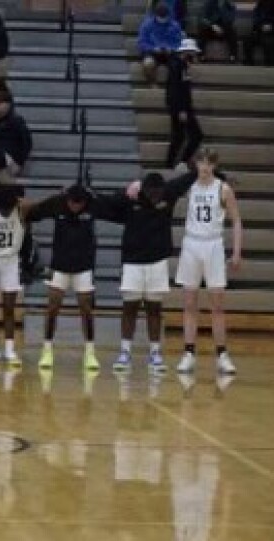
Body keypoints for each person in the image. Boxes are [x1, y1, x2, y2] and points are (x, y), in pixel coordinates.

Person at [94, 171, 196, 373]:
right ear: (144, 190)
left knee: (154, 309)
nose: (156, 196)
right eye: (152, 193)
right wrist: (128, 189)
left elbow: (190, 176)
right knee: (129, 308)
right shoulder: (131, 198)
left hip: (157, 262)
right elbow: (109, 202)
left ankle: (155, 353)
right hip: (133, 262)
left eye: (159, 193)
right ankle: (124, 352)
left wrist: (220, 175)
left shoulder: (170, 193)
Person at [175, 149, 242, 375]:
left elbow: (237, 221)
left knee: (217, 305)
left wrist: (236, 252)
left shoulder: (223, 189)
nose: (204, 167)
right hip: (192, 244)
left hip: (213, 245)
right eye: (201, 162)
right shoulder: (189, 185)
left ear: (214, 165)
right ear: (196, 164)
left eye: (208, 163)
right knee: (190, 302)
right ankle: (188, 353)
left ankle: (222, 354)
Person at [28, 184, 99, 371]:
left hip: (83, 267)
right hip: (60, 266)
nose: (75, 207)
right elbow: (35, 211)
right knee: (52, 308)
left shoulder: (93, 205)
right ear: (67, 199)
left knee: (86, 310)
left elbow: (113, 205)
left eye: (79, 203)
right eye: (72, 203)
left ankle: (90, 351)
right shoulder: (56, 204)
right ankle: (47, 349)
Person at [0, 184, 34, 366]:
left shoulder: (21, 209)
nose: (4, 210)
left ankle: (10, 350)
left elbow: (32, 203)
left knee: (9, 308)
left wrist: (16, 200)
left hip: (11, 261)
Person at [166, 38, 204, 169]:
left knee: (179, 137)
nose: (194, 56)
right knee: (192, 135)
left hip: (181, 106)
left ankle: (173, 163)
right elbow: (176, 89)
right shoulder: (178, 66)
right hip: (181, 107)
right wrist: (181, 109)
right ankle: (177, 162)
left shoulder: (181, 65)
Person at [137, 1, 183, 84]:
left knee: (177, 65)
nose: (162, 20)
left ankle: (172, 87)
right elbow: (142, 42)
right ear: (155, 15)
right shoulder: (147, 25)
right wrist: (153, 49)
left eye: (164, 17)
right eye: (160, 17)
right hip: (152, 52)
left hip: (170, 53)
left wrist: (171, 49)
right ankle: (153, 84)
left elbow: (179, 43)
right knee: (148, 64)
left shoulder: (175, 25)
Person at [244, 0, 274, 66]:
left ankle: (269, 63)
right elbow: (255, 19)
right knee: (247, 41)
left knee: (268, 41)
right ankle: (249, 63)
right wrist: (260, 26)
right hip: (260, 31)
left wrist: (271, 26)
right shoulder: (259, 6)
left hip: (271, 32)